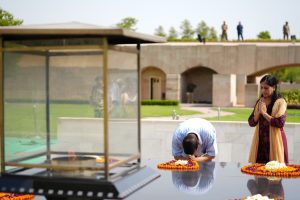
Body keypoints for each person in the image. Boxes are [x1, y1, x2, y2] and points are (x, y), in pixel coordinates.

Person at [248, 74, 288, 164]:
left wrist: (264, 114)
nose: (263, 90)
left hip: (276, 143)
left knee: (276, 173)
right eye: (261, 88)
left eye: (266, 88)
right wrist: (258, 113)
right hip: (261, 144)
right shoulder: (260, 101)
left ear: (273, 87)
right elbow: (251, 122)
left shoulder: (280, 102)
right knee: (259, 173)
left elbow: (280, 123)